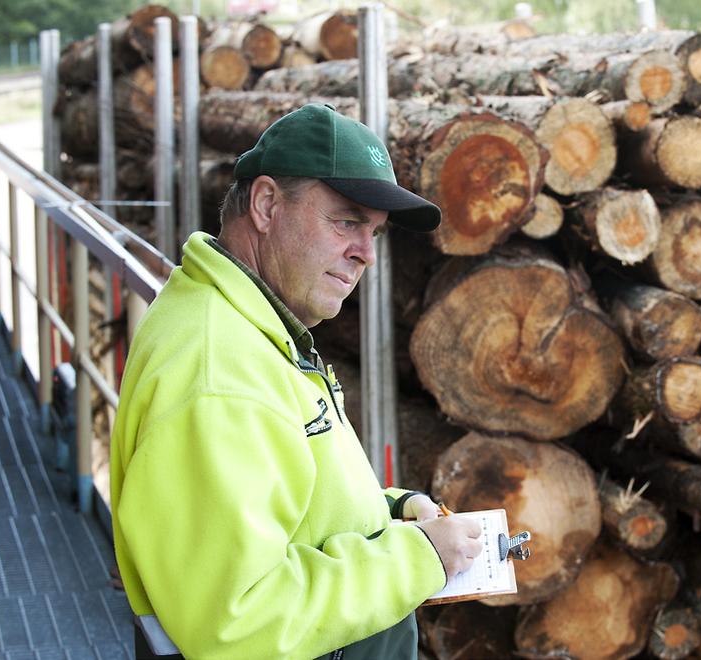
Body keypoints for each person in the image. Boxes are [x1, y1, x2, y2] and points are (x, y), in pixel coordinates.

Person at [110, 103, 484, 659]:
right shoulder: (219, 373)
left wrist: (393, 513)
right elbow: (238, 621)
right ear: (266, 204)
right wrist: (416, 558)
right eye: (347, 220)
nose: (365, 255)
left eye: (374, 232)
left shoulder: (247, 322)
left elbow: (281, 504)